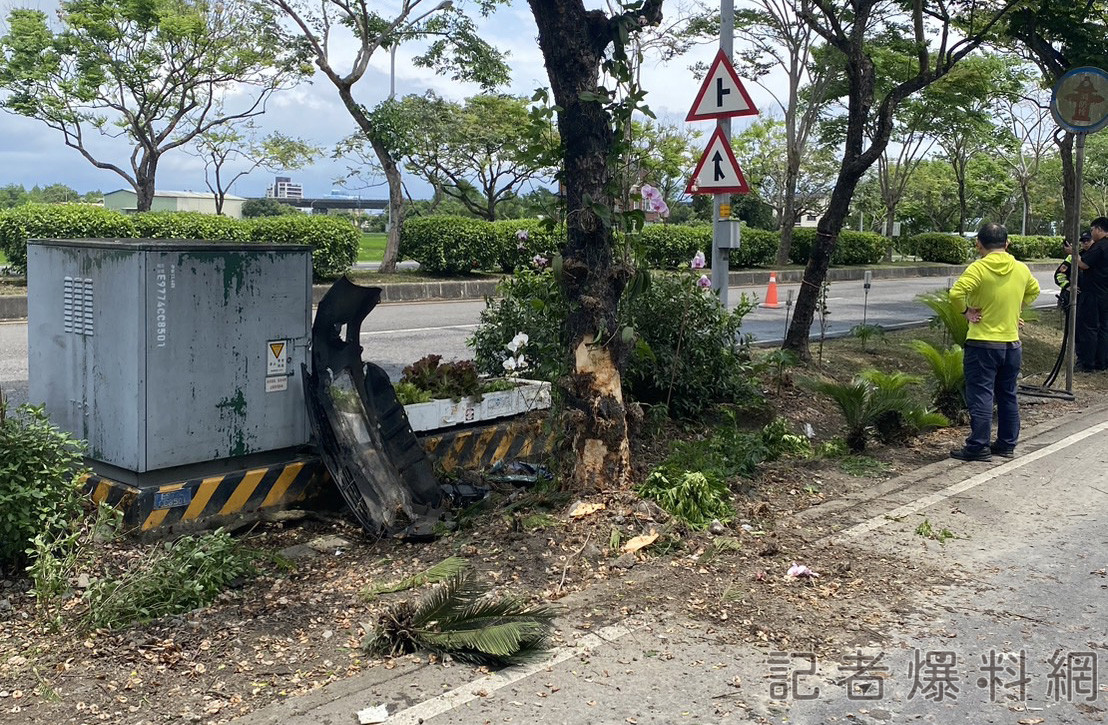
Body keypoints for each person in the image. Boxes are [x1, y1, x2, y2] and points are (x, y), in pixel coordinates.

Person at [948, 223, 1040, 462]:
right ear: (1007, 243)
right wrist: (1015, 309)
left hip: (982, 343)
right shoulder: (1020, 268)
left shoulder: (978, 268)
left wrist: (966, 312)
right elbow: (1034, 291)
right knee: (1008, 394)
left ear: (979, 243)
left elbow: (955, 294)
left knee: (981, 394)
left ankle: (978, 446)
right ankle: (1007, 444)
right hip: (1011, 344)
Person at [1076, 217, 1108, 371]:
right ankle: (1102, 362)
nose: (1091, 234)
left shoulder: (1099, 246)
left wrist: (1073, 254)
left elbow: (1084, 264)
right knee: (1104, 328)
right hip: (1105, 294)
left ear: (1099, 229)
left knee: (1089, 328)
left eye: (1092, 230)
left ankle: (1088, 363)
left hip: (1093, 293)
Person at [1055, 231, 1091, 310]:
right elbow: (1059, 275)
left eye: (1088, 240)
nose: (1085, 243)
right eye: (1083, 241)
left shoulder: (1099, 254)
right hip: (1075, 297)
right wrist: (1068, 286)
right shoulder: (1072, 257)